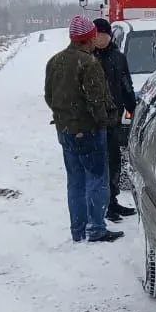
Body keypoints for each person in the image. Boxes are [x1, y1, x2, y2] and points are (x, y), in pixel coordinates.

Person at [44, 15, 124, 243]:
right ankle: (96, 228)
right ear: (87, 39)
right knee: (96, 180)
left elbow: (49, 96)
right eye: (91, 37)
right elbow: (97, 101)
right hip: (89, 131)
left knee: (75, 181)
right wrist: (105, 121)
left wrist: (65, 116)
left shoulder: (55, 61)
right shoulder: (89, 64)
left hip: (65, 130)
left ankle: (77, 230)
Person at [91, 17, 138, 221]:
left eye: (104, 35)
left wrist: (131, 107)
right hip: (95, 121)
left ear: (109, 36)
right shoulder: (88, 59)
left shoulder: (118, 57)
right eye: (97, 35)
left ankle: (113, 201)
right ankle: (103, 205)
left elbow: (126, 84)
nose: (101, 39)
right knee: (100, 165)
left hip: (114, 118)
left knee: (114, 162)